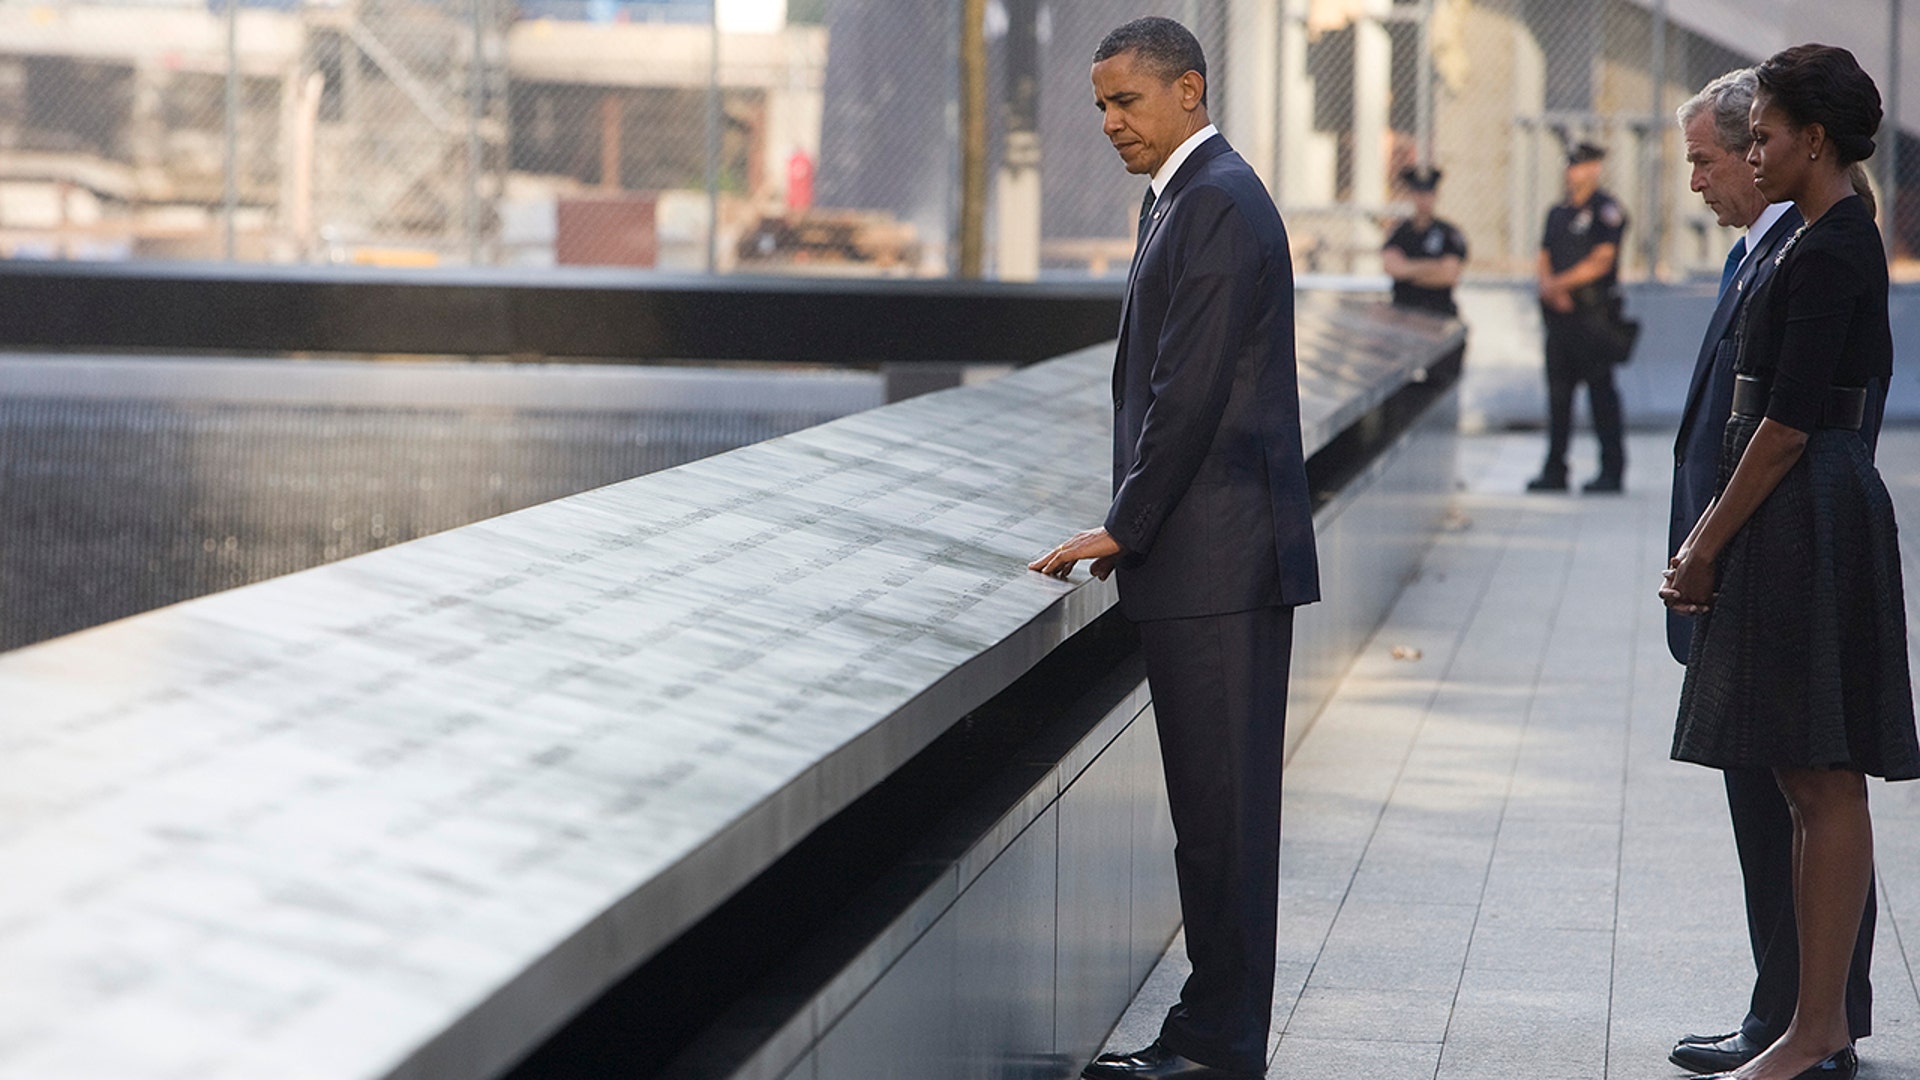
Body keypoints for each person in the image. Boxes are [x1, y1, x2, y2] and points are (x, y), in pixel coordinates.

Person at [1029, 16, 1317, 1080]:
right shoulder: (1190, 200)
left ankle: (1220, 1040)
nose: (1109, 122)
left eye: (1126, 102)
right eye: (1100, 104)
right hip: (1207, 558)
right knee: (1212, 818)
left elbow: (1185, 394)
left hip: (1217, 561)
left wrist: (1125, 523)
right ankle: (1213, 1028)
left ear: (1189, 91)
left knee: (1224, 820)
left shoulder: (1217, 204)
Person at [1662, 43, 1920, 1080]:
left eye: (1763, 137)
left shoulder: (1832, 248)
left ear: (1815, 141)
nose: (1751, 154)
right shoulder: (1813, 237)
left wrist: (1704, 540)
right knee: (1801, 776)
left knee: (1823, 780)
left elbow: (1787, 422)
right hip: (1794, 515)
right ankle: (1805, 1017)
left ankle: (1818, 1025)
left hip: (1805, 516)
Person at [1529, 142, 1629, 494]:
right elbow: (1543, 254)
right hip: (1560, 318)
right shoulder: (1557, 212)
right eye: (1571, 165)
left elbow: (1602, 260)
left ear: (1595, 169)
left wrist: (1559, 284)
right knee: (1558, 397)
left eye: (1582, 165)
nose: (1574, 172)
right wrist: (1550, 288)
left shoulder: (1606, 211)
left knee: (1601, 395)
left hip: (1592, 316)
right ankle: (1555, 468)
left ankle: (1611, 470)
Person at [1382, 165, 1467, 316]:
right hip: (1404, 313)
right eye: (1419, 194)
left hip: (1438, 313)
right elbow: (1393, 268)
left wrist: (1408, 271)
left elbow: (1448, 275)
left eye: (1428, 194)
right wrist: (1433, 266)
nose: (1423, 200)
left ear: (1436, 196)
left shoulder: (1449, 233)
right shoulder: (1400, 232)